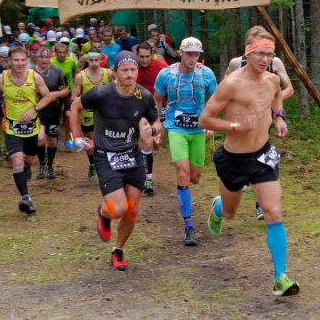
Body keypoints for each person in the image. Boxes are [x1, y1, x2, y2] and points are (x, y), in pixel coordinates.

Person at [199, 30, 298, 297]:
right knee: (231, 213)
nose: (265, 59)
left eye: (270, 54)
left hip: (263, 155)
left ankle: (281, 277)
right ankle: (218, 209)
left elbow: (277, 96)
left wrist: (279, 118)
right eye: (260, 54)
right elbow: (205, 119)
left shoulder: (273, 80)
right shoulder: (231, 83)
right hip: (233, 159)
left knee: (273, 212)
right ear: (248, 53)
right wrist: (236, 124)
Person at [68, 51, 162, 271]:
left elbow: (158, 122)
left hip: (132, 155)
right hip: (106, 157)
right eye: (124, 70)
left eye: (133, 70)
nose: (129, 75)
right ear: (115, 72)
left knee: (133, 210)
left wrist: (153, 130)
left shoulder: (144, 96)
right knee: (118, 209)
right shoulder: (101, 93)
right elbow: (74, 107)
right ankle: (104, 212)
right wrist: (76, 136)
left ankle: (118, 250)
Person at [225, 26, 295, 220]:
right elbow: (225, 87)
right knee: (243, 162)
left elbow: (289, 88)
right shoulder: (236, 63)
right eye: (258, 50)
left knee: (260, 156)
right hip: (241, 120)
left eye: (268, 52)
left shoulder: (276, 63)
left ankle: (259, 204)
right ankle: (227, 200)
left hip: (264, 117)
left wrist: (272, 105)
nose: (265, 58)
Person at [153, 38, 217, 246]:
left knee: (195, 178)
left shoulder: (206, 74)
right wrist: (159, 124)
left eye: (196, 54)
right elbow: (157, 98)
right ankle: (188, 226)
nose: (192, 58)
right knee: (182, 174)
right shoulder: (166, 74)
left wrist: (210, 124)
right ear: (180, 53)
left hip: (198, 129)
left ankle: (206, 205)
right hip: (176, 129)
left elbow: (215, 101)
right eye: (188, 54)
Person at [0, 46, 52, 215]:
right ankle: (26, 197)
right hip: (12, 127)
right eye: (16, 60)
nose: (20, 63)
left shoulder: (34, 76)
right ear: (9, 61)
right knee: (16, 160)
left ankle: (27, 168)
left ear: (27, 60)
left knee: (31, 159)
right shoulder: (0, 79)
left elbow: (48, 97)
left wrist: (34, 109)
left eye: (23, 60)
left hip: (31, 127)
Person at [72, 52, 111, 179]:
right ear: (87, 61)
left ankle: (105, 166)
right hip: (87, 113)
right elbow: (73, 96)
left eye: (96, 60)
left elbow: (116, 88)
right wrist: (84, 102)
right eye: (91, 60)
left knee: (105, 140)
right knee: (90, 141)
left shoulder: (108, 73)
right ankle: (92, 163)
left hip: (105, 113)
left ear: (101, 60)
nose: (94, 63)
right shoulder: (80, 76)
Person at [135, 42, 168, 191]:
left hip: (160, 107)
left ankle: (145, 164)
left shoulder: (161, 67)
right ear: (137, 55)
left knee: (157, 144)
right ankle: (147, 179)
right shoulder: (132, 66)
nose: (144, 60)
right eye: (141, 56)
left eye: (147, 56)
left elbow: (172, 87)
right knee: (147, 138)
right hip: (140, 108)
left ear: (152, 53)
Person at [34, 46, 69, 179]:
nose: (44, 60)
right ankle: (41, 164)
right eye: (41, 57)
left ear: (50, 58)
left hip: (53, 110)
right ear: (36, 57)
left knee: (52, 141)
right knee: (40, 138)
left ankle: (50, 164)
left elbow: (66, 90)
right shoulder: (30, 72)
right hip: (38, 111)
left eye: (46, 57)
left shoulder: (58, 71)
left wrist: (56, 93)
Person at [50, 42, 78, 147]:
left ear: (67, 53)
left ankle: (67, 137)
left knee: (68, 114)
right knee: (56, 115)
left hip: (68, 91)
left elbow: (75, 74)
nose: (62, 55)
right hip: (56, 92)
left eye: (64, 52)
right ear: (55, 53)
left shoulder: (71, 62)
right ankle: (56, 135)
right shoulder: (51, 62)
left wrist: (75, 87)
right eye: (59, 52)